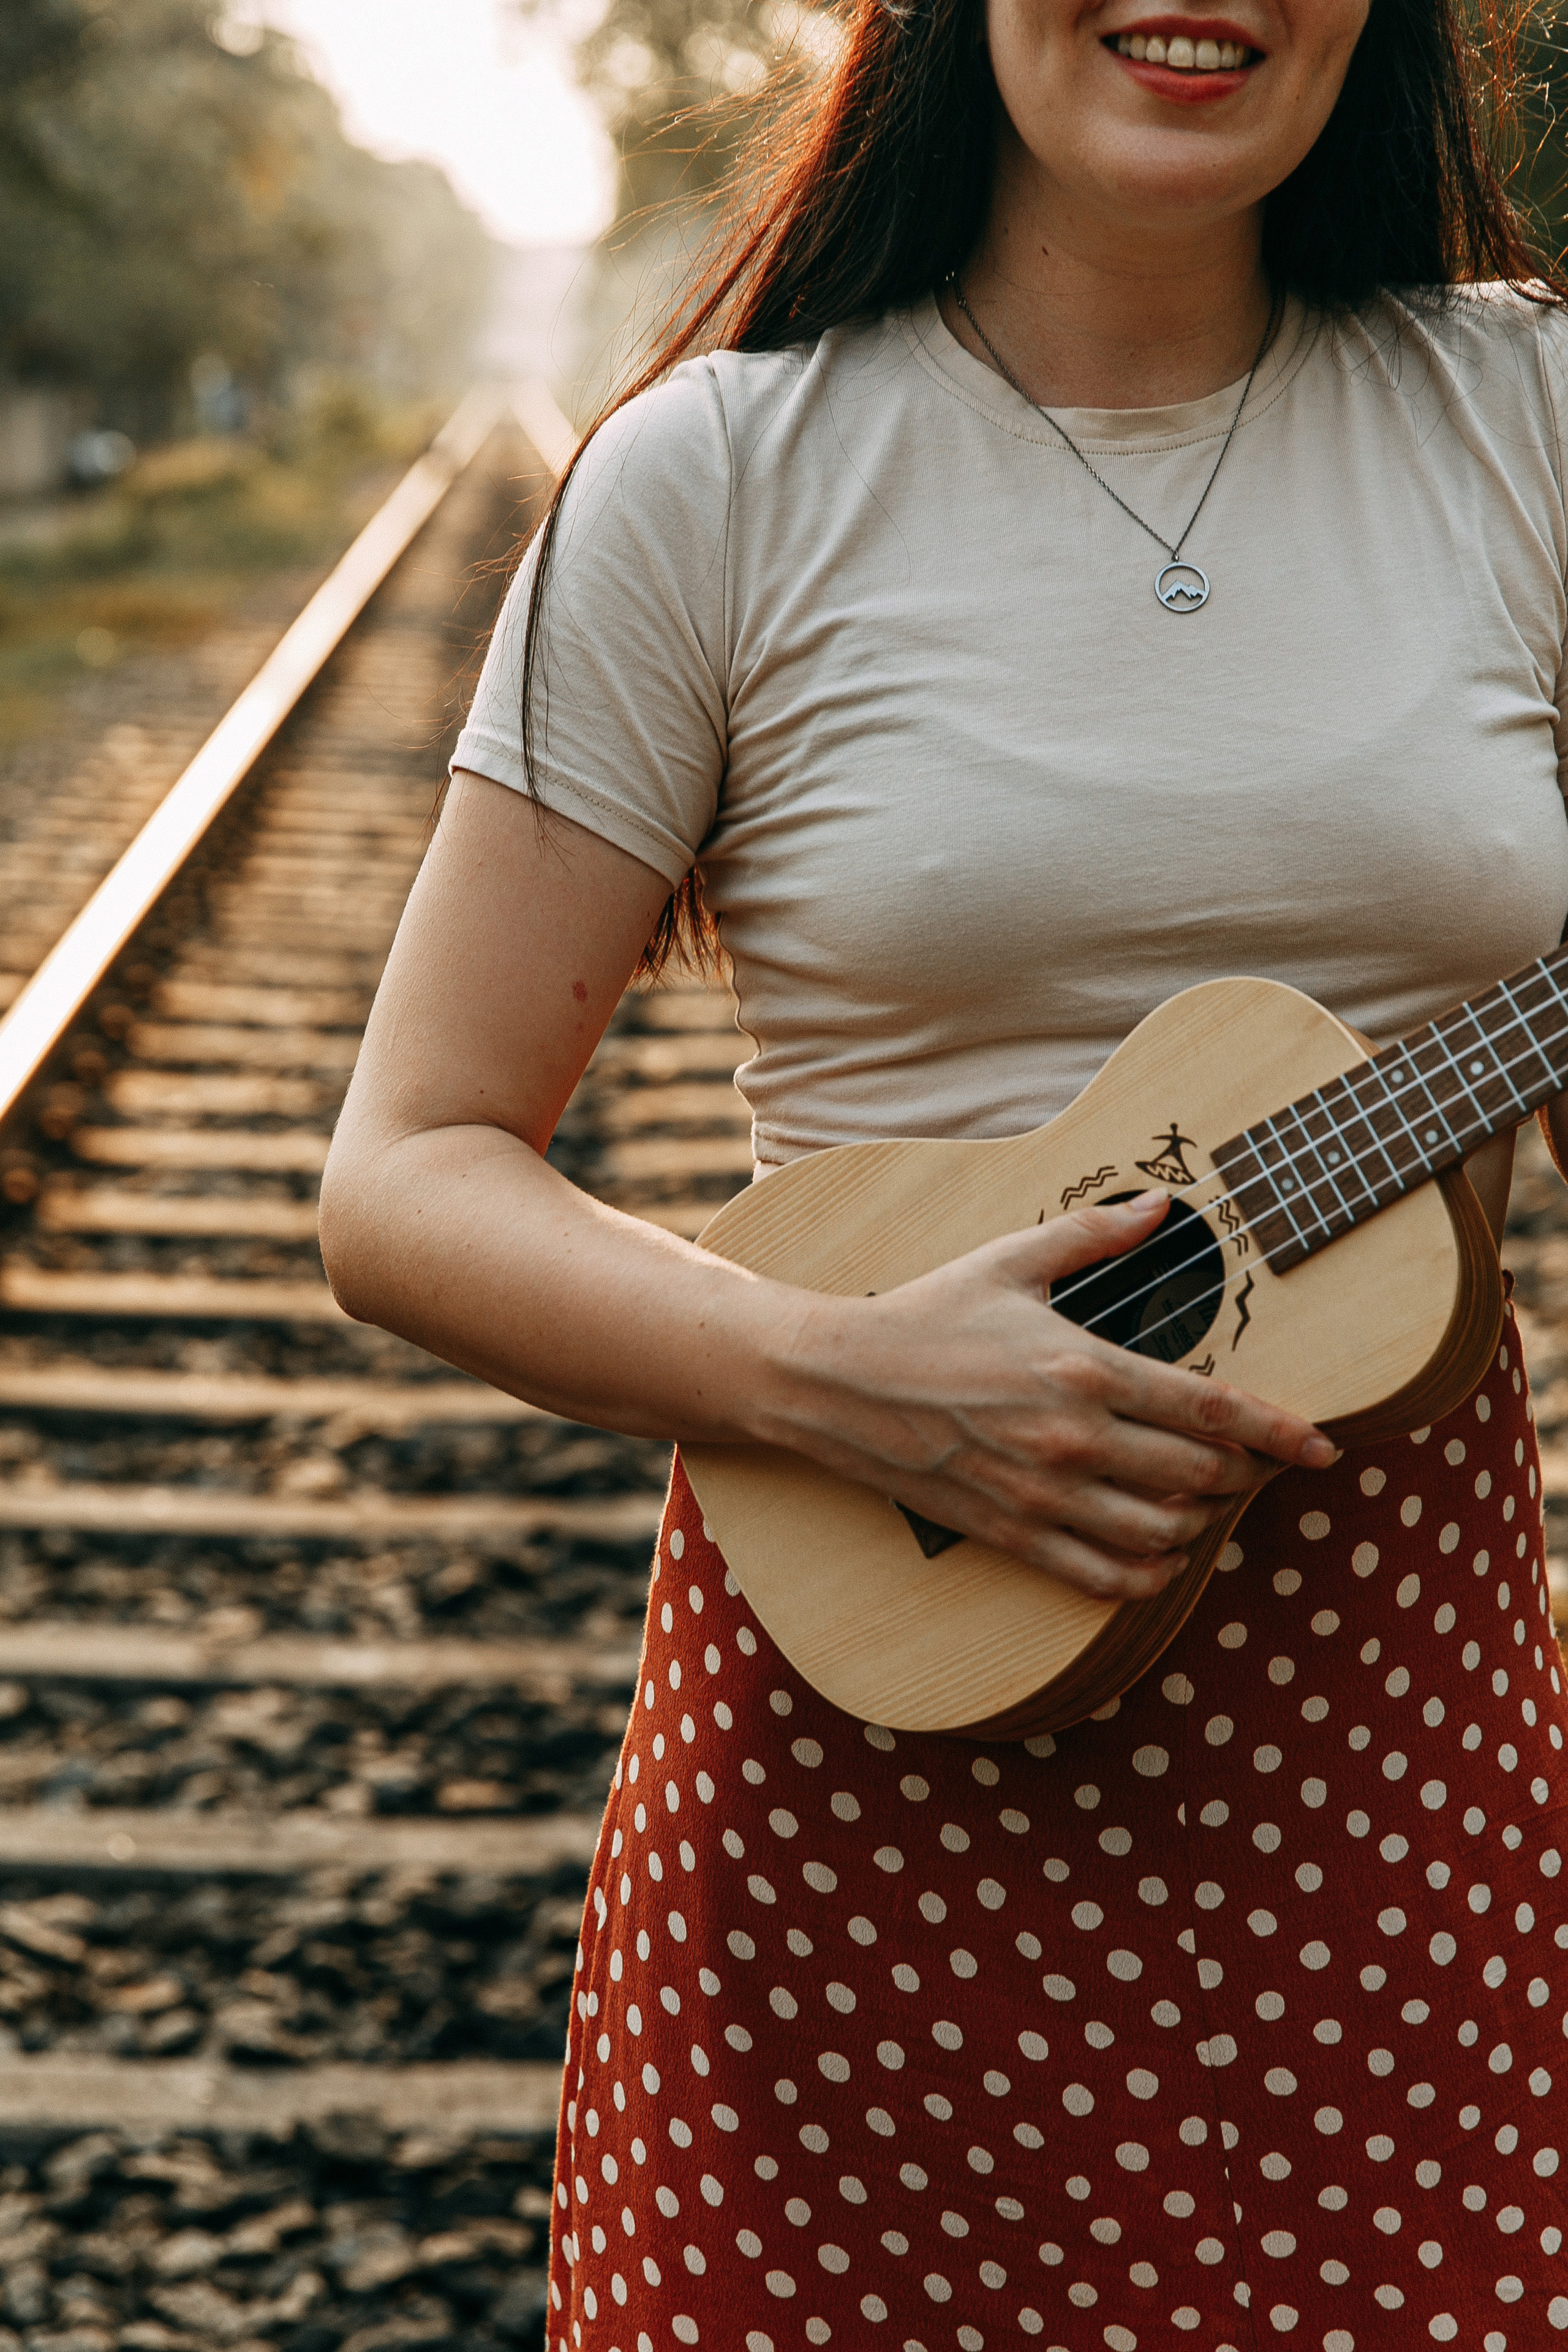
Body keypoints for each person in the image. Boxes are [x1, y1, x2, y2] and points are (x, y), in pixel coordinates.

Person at [317, 0, 1568, 2330]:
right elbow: (408, 1171)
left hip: (1401, 1750)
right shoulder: (716, 479)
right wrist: (838, 1381)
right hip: (870, 1724)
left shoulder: (1531, 422)